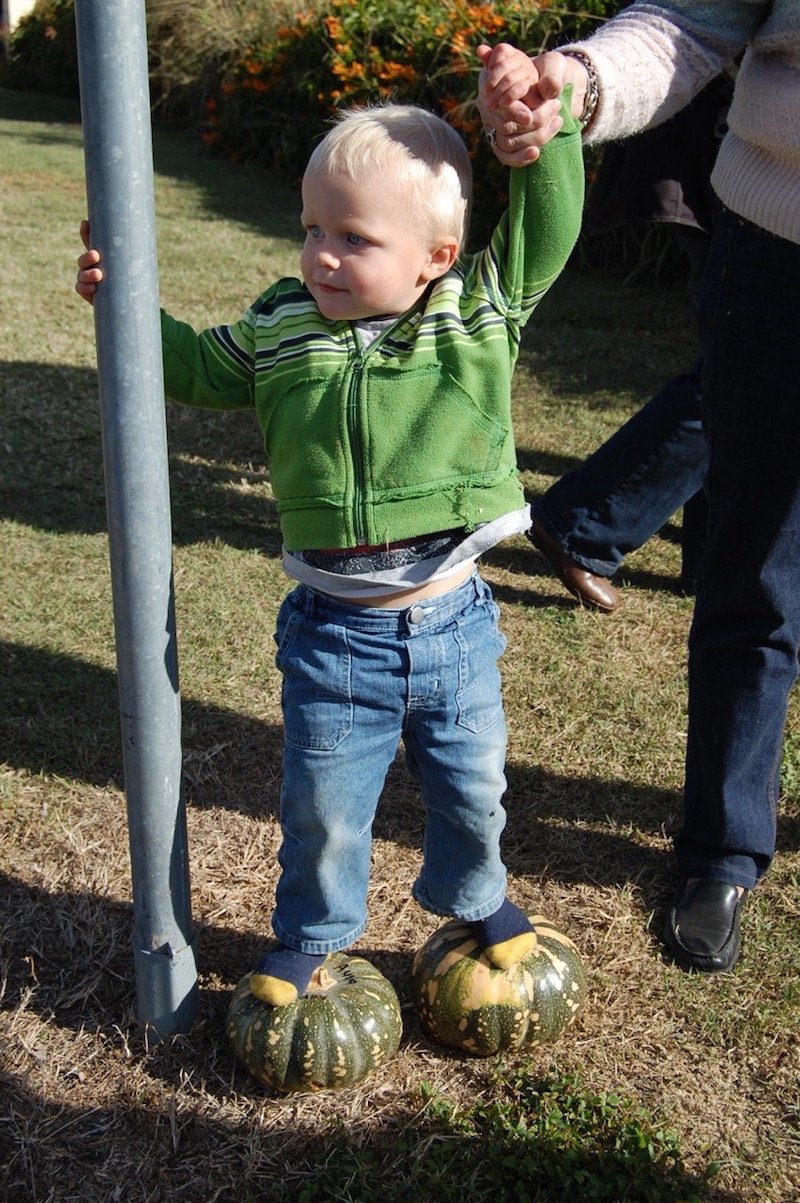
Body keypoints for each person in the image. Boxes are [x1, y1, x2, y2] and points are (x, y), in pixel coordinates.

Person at [77, 45, 584, 1005]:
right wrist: (126, 308)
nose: (320, 255)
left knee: (473, 789)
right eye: (312, 230)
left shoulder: (473, 309)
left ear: (437, 256)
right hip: (336, 636)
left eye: (352, 237)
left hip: (455, 627)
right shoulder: (281, 327)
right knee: (325, 809)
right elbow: (185, 367)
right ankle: (309, 937)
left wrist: (541, 144)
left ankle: (479, 900)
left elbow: (547, 233)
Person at [479, 1, 800, 973]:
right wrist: (573, 85)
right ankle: (721, 849)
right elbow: (693, 21)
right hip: (779, 251)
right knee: (753, 568)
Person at [530, 76, 733, 613]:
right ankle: (581, 523)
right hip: (735, 149)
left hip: (735, 150)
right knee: (748, 374)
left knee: (738, 361)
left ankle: (715, 559)